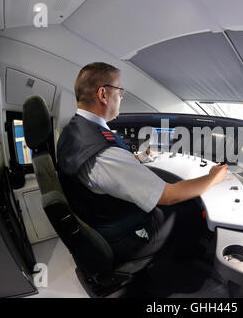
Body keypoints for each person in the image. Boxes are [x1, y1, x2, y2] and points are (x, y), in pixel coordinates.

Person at [57, 62, 228, 263]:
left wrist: (137, 159)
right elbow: (168, 196)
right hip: (121, 233)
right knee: (186, 209)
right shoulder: (104, 152)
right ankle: (185, 263)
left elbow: (102, 174)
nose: (121, 97)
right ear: (103, 94)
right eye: (119, 91)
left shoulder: (72, 131)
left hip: (97, 218)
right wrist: (212, 177)